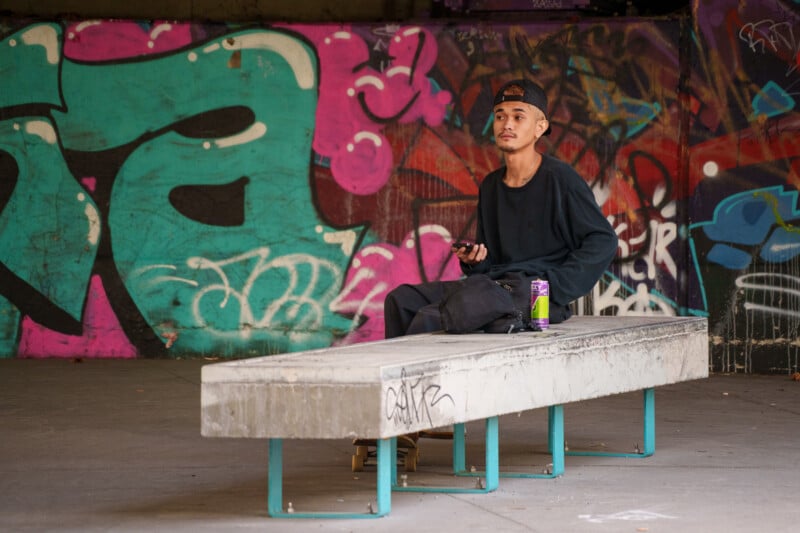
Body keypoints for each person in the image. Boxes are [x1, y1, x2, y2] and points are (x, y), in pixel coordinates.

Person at [384, 78, 618, 338]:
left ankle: (419, 378)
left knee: (438, 315)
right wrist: (476, 261)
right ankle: (395, 376)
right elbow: (492, 262)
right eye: (500, 116)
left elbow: (603, 239)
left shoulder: (561, 179)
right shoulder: (491, 186)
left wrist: (555, 286)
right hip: (494, 286)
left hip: (534, 294)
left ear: (540, 128)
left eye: (519, 117)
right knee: (402, 301)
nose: (507, 124)